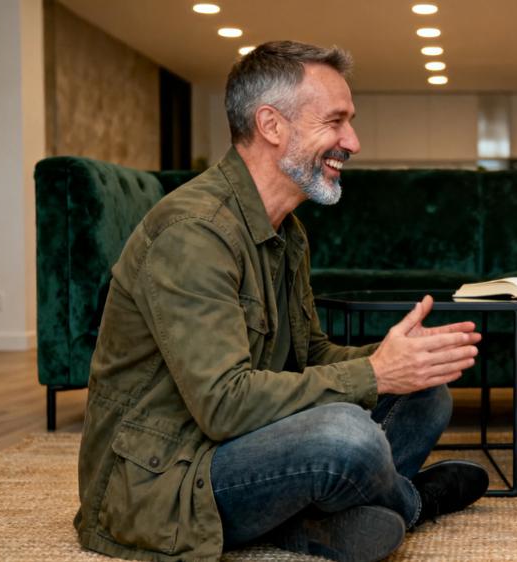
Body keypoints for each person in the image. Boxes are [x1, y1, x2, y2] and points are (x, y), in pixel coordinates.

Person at [74, 41, 489, 562]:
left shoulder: (286, 231)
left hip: (235, 446)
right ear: (272, 126)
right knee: (347, 438)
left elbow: (308, 358)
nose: (353, 141)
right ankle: (409, 502)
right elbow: (224, 405)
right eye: (335, 122)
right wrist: (376, 375)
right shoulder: (194, 233)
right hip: (168, 476)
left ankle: (302, 524)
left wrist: (393, 358)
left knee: (428, 394)